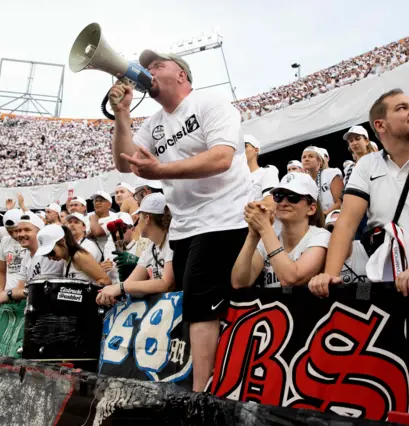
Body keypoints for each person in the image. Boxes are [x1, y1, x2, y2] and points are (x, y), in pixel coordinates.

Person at [109, 49, 251, 391]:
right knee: (199, 304)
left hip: (223, 216)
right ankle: (213, 383)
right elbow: (124, 163)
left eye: (157, 65)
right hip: (186, 225)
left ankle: (203, 395)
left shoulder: (209, 103)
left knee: (202, 306)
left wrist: (161, 171)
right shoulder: (154, 123)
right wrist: (123, 114)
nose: (148, 71)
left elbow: (220, 158)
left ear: (182, 75)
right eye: (146, 67)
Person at [309, 89, 409, 298]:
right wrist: (330, 275)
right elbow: (347, 222)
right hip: (386, 280)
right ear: (380, 125)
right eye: (402, 108)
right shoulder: (367, 164)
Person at [232, 173, 328, 289]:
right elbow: (239, 283)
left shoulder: (321, 236)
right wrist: (253, 235)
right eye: (278, 196)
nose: (283, 202)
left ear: (311, 208)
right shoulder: (268, 238)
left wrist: (264, 228)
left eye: (293, 197)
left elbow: (291, 279)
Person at [97, 193, 175, 305]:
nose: (137, 223)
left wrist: (121, 287)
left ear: (147, 218)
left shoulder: (171, 241)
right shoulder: (151, 248)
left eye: (140, 217)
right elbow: (130, 282)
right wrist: (114, 293)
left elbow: (166, 283)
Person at [0, 213, 63, 305]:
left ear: (39, 232)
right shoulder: (27, 255)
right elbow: (19, 289)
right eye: (19, 230)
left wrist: (8, 294)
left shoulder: (49, 254)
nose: (21, 234)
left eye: (27, 230)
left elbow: (44, 290)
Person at [35, 224, 111, 285]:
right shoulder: (66, 258)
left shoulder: (79, 256)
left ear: (62, 241)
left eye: (51, 252)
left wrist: (86, 292)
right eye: (45, 255)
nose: (49, 258)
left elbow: (105, 280)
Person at [0, 209, 25, 308]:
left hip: (25, 296)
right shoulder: (5, 241)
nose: (15, 235)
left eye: (17, 230)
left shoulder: (31, 241)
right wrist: (0, 292)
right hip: (7, 297)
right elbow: (1, 271)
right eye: (10, 232)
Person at [301, 146, 343, 215]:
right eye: (304, 157)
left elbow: (340, 202)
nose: (306, 159)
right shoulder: (303, 182)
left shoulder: (331, 173)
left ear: (319, 161)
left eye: (311, 156)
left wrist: (323, 216)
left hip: (334, 218)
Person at [245, 134, 279, 206]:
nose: (241, 151)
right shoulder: (236, 177)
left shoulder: (267, 172)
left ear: (256, 150)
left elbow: (270, 204)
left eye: (245, 146)